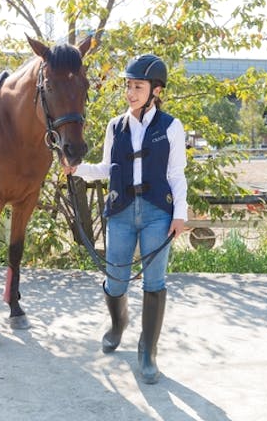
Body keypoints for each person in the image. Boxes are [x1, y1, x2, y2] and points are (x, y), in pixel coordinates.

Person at [63, 54, 188, 384]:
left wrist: (180, 215)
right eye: (129, 86)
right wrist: (78, 170)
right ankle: (118, 324)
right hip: (119, 213)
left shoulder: (171, 127)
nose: (131, 92)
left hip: (157, 215)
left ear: (155, 90)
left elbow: (176, 175)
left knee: (154, 282)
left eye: (138, 86)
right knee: (116, 280)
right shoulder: (115, 126)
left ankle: (147, 351)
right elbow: (105, 168)